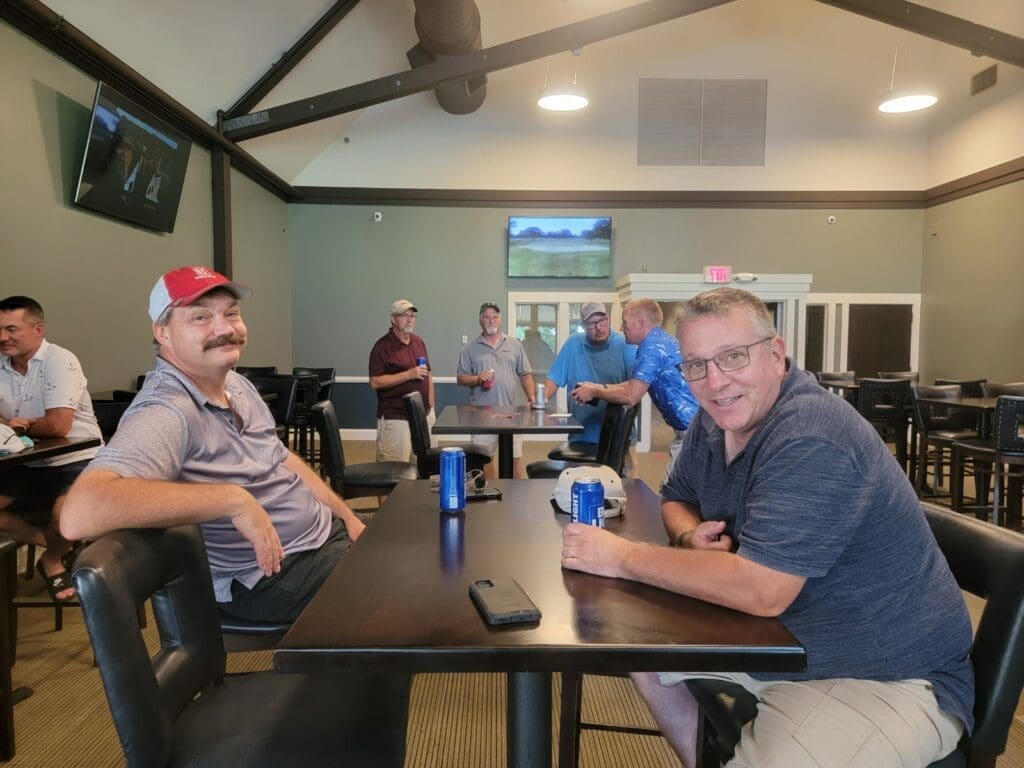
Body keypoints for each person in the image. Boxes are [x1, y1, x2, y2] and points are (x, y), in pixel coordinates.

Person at [561, 287, 972, 768]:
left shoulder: (813, 434)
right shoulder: (717, 420)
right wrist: (690, 535)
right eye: (697, 365)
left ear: (776, 355)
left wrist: (617, 556)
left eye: (733, 357)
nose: (715, 381)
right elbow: (676, 496)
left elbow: (762, 590)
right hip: (774, 640)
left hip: (882, 673)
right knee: (633, 642)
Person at [61, 266, 367, 623]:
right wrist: (231, 500)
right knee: (407, 592)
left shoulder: (238, 385)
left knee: (423, 555)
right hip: (269, 576)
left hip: (321, 538)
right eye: (201, 317)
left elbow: (281, 458)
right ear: (162, 332)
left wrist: (346, 516)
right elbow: (79, 513)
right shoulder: (166, 409)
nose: (224, 328)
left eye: (231, 314)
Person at [0, 296, 102, 602]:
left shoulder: (61, 360)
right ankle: (53, 543)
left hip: (76, 459)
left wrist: (18, 426)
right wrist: (17, 425)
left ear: (38, 329)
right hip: (26, 463)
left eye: (11, 329)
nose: (2, 337)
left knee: (64, 517)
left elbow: (59, 426)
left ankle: (52, 559)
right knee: (56, 527)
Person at [571, 298, 697, 473]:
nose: (622, 328)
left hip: (695, 434)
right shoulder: (658, 340)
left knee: (674, 492)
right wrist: (598, 387)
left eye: (625, 322)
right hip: (694, 430)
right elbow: (634, 384)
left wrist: (594, 391)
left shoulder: (651, 348)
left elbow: (631, 395)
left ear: (641, 323)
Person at [544, 301, 637, 473]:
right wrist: (541, 399)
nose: (599, 327)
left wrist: (596, 390)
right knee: (579, 485)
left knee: (621, 488)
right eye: (592, 324)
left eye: (602, 321)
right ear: (583, 326)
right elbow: (554, 378)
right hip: (581, 434)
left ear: (608, 319)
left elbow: (635, 387)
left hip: (617, 437)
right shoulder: (573, 343)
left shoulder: (625, 344)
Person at [456, 302, 535, 479]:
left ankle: (514, 499)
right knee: (485, 460)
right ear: (480, 320)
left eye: (495, 317)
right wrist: (477, 378)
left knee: (515, 460)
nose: (491, 320)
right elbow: (461, 378)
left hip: (510, 414)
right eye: (486, 317)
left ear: (500, 320)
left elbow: (525, 375)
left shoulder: (514, 344)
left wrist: (532, 398)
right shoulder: (469, 348)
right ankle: (494, 497)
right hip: (481, 415)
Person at [368, 299, 434, 463]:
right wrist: (408, 374)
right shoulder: (382, 347)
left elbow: (429, 374)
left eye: (412, 316)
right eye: (405, 315)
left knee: (423, 467)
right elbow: (375, 382)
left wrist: (431, 405)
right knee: (395, 471)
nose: (410, 319)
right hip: (397, 418)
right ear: (393, 319)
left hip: (424, 416)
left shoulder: (418, 341)